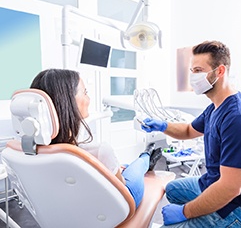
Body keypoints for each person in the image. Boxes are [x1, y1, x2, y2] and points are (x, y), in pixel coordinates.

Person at [141, 40, 241, 227]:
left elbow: (229, 189)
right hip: (212, 182)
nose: (193, 77)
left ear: (220, 71)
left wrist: (185, 212)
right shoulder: (214, 108)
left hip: (236, 207)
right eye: (192, 71)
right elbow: (188, 130)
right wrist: (162, 126)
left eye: (198, 70)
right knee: (172, 190)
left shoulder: (240, 119)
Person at [30, 68, 162, 209]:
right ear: (68, 102)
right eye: (85, 92)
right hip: (116, 208)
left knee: (125, 166)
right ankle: (146, 156)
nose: (89, 98)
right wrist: (117, 172)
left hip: (67, 210)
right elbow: (121, 189)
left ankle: (134, 162)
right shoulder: (99, 150)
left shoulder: (30, 150)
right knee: (137, 167)